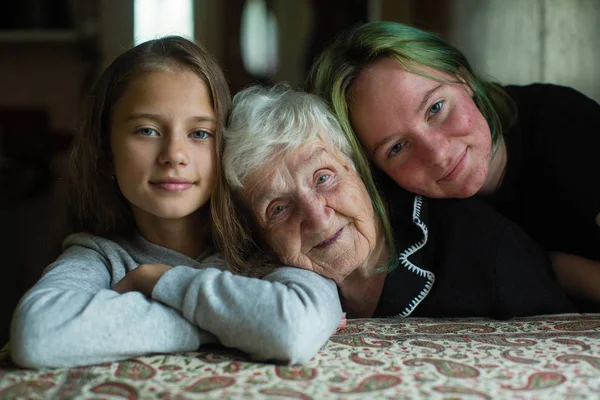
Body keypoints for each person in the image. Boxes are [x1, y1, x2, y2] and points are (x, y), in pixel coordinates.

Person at [9, 37, 343, 369]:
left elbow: (293, 329)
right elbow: (38, 336)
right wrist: (240, 324)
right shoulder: (100, 259)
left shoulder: (264, 240)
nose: (174, 155)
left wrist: (158, 279)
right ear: (106, 150)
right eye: (147, 130)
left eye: (199, 134)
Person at [217, 83, 581, 321]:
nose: (316, 217)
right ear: (258, 235)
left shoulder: (486, 249)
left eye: (323, 178)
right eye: (278, 209)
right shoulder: (260, 287)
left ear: (356, 168)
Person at [307, 21, 600, 305]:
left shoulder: (567, 124)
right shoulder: (402, 210)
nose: (436, 153)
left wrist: (564, 269)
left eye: (436, 108)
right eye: (397, 147)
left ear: (464, 78)